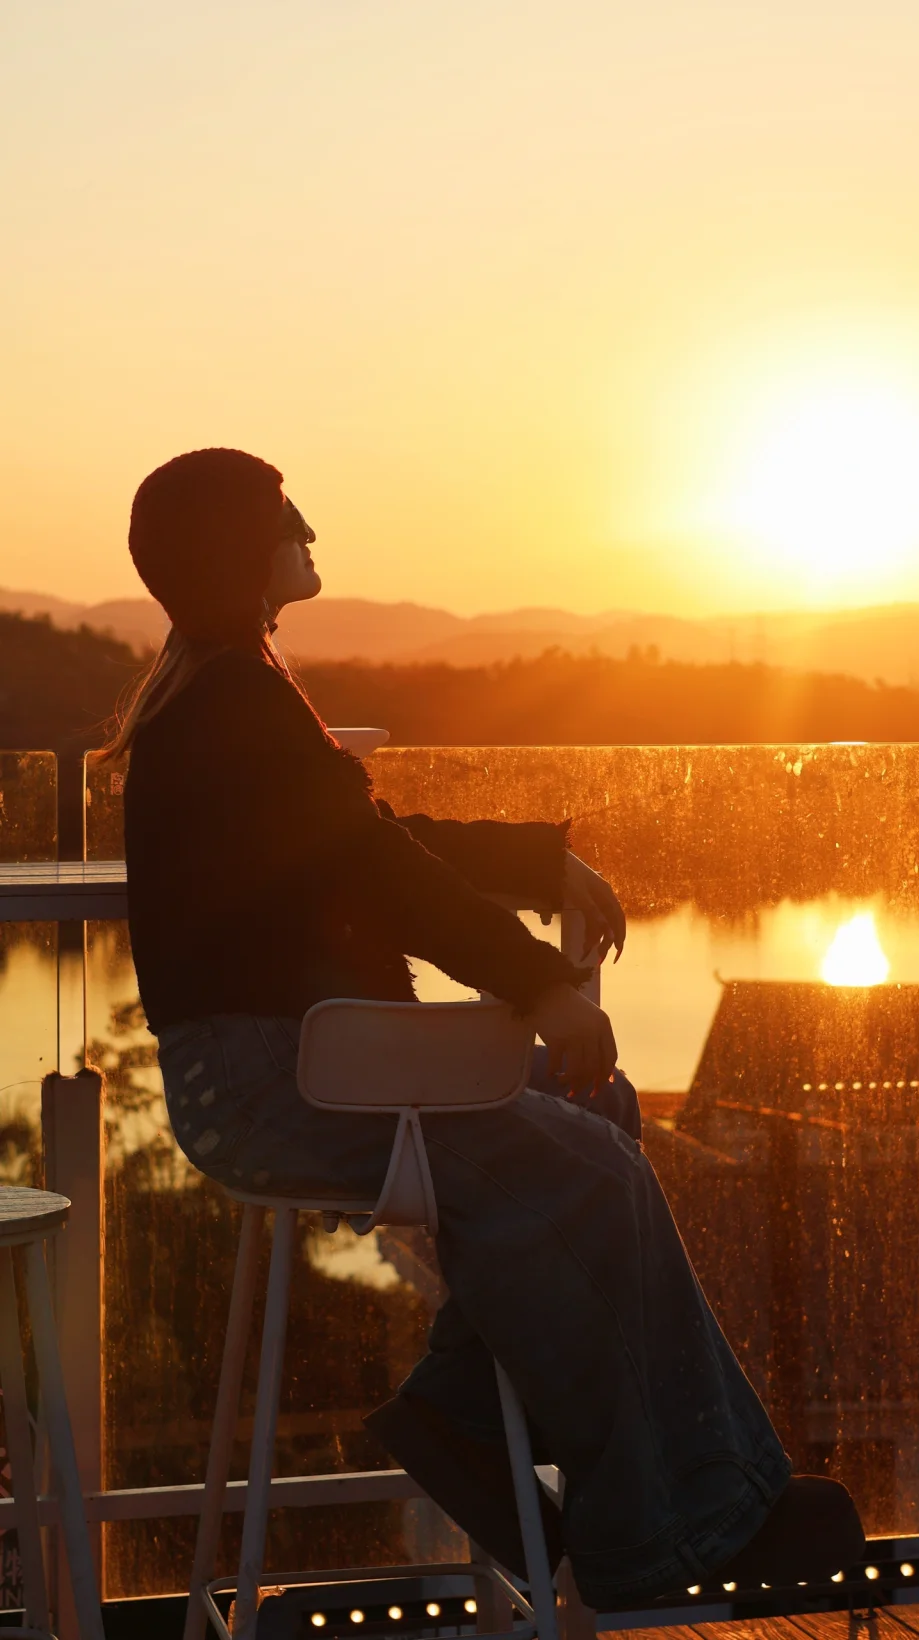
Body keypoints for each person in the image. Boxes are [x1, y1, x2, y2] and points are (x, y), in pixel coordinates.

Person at [112, 447, 864, 1610]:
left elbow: (370, 837)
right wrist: (540, 988)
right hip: (290, 1080)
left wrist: (532, 861)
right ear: (230, 546)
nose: (306, 521)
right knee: (594, 1170)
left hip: (305, 1065)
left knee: (594, 1115)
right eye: (278, 510)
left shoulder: (220, 696)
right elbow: (378, 866)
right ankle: (672, 1529)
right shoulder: (235, 703)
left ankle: (464, 1405)